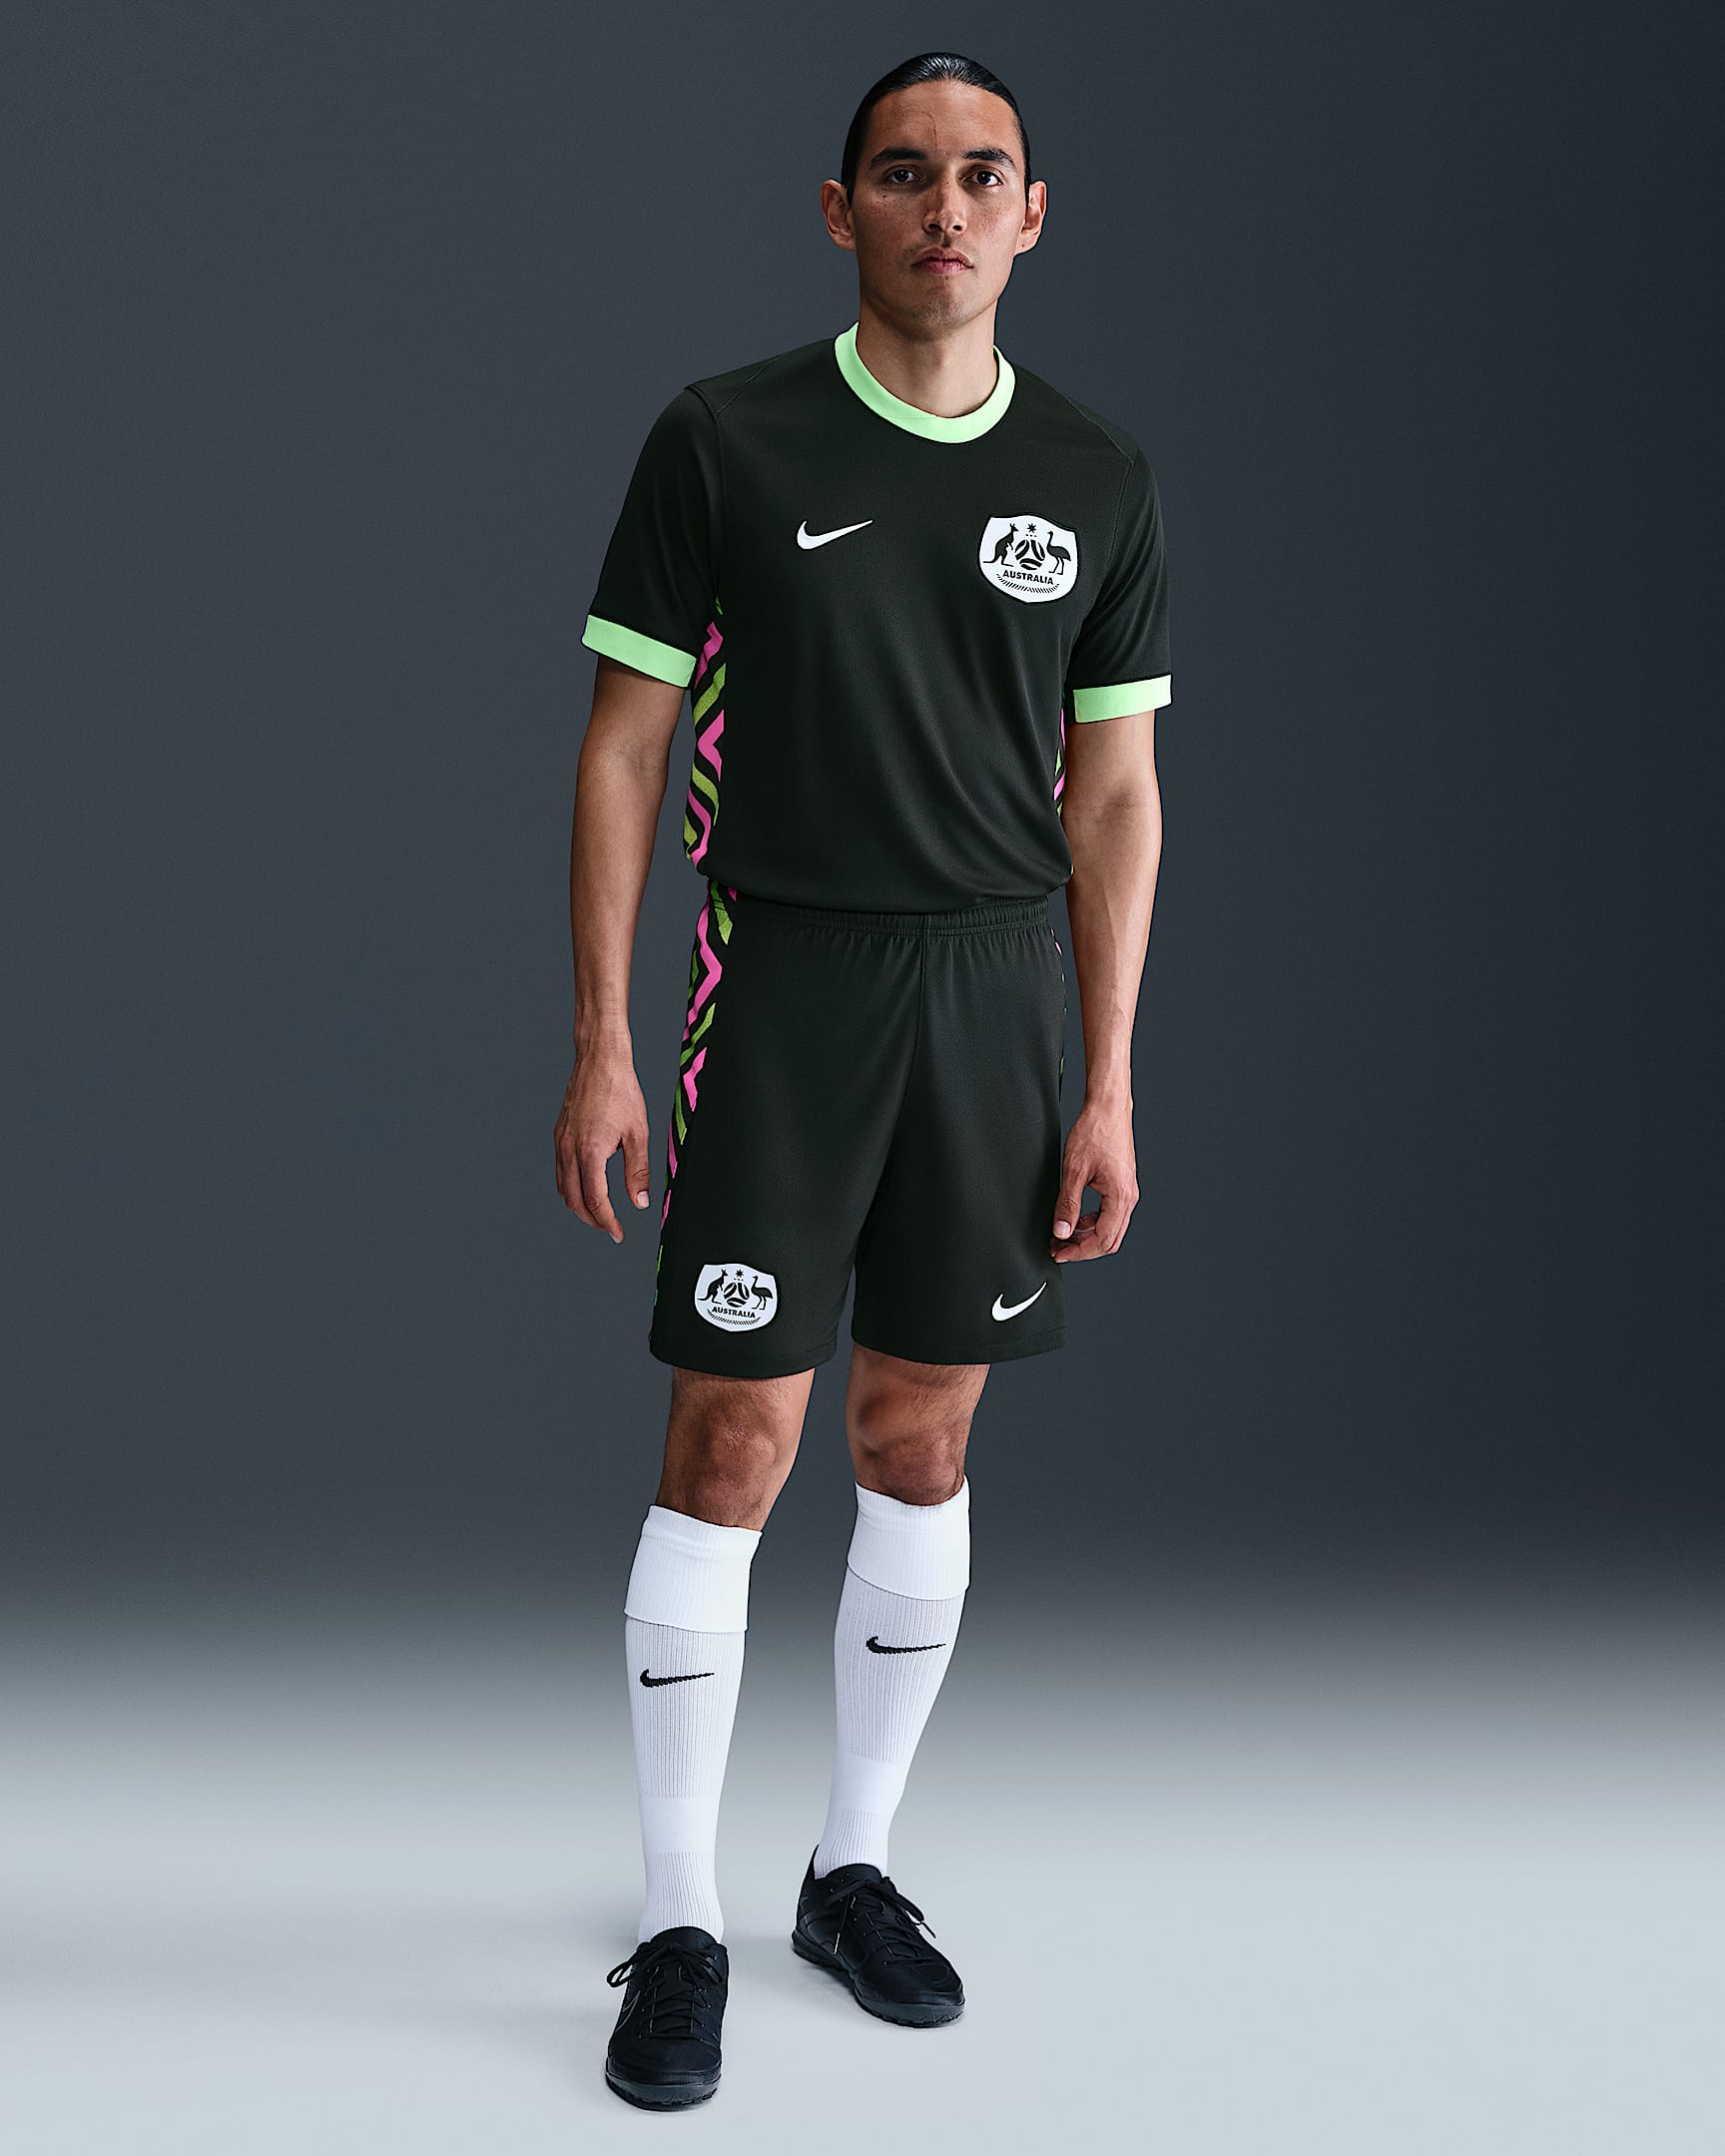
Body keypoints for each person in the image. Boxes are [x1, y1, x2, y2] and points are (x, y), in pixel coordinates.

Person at [554, 49, 1171, 2110]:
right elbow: (625, 747)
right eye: (904, 174)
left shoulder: (1095, 472)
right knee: (734, 1444)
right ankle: (676, 1922)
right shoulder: (726, 438)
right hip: (787, 985)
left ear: (1033, 214)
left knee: (920, 1439)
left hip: (993, 1001)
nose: (945, 207)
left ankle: (851, 1870)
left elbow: (1114, 797)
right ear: (843, 212)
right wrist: (603, 1038)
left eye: (983, 175)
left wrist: (1107, 1082)